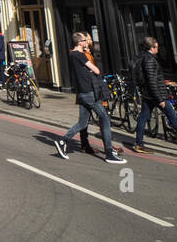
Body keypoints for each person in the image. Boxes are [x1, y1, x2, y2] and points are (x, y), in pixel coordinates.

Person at [54, 31, 126, 164]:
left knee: (82, 123)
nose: (87, 42)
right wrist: (91, 69)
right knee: (104, 119)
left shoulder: (72, 55)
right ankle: (109, 154)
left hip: (81, 93)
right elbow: (97, 70)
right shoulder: (79, 55)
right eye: (85, 41)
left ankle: (62, 141)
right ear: (79, 42)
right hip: (89, 93)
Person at [132, 36, 177, 154]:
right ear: (152, 47)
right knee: (173, 119)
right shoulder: (149, 60)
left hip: (149, 95)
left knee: (143, 117)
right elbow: (151, 81)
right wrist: (160, 99)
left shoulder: (144, 57)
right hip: (156, 96)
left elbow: (151, 78)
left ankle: (139, 144)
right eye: (157, 46)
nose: (158, 48)